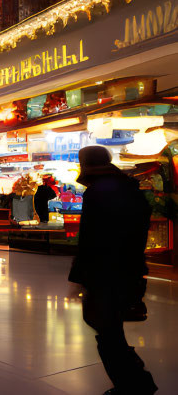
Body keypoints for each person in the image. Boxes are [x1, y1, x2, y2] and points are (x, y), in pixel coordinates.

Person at [68, 145, 156, 395]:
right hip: (129, 269)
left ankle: (135, 385)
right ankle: (135, 382)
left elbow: (90, 238)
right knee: (109, 330)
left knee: (107, 333)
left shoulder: (97, 191)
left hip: (105, 273)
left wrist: (78, 277)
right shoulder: (129, 188)